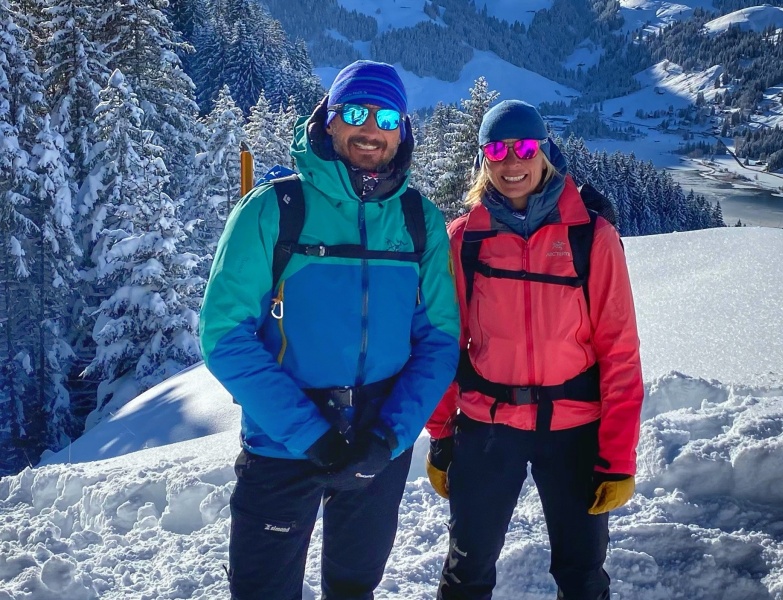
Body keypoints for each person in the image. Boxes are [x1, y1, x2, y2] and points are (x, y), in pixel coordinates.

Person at [199, 60, 459, 600]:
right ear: (329, 120)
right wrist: (309, 435)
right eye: (356, 112)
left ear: (403, 130)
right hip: (282, 442)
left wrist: (390, 435)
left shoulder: (419, 221)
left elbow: (437, 341)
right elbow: (224, 336)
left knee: (353, 586)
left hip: (376, 441)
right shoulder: (274, 209)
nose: (371, 128)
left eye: (387, 116)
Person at [424, 100, 643, 600]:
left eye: (523, 147)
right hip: (487, 427)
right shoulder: (464, 240)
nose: (511, 162)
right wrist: (441, 433)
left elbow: (620, 350)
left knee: (582, 571)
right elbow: (443, 345)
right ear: (483, 158)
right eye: (496, 150)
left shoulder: (590, 234)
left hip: (574, 428)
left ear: (544, 151)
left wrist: (617, 455)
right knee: (466, 569)